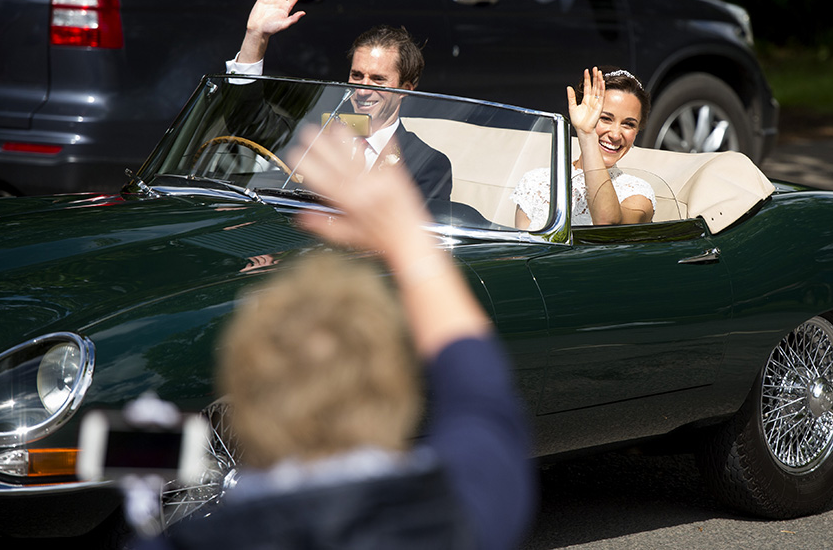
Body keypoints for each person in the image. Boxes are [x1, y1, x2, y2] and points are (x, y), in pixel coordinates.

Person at [140, 123, 536, 550]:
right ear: (397, 392)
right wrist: (408, 241)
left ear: (245, 397)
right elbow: (481, 392)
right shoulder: (461, 514)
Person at [226, 0, 452, 202]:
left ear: (406, 89)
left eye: (378, 80)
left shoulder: (427, 162)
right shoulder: (322, 136)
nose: (363, 90)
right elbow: (248, 121)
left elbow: (416, 235)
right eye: (357, 76)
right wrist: (255, 37)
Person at [511, 67, 656, 230]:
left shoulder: (638, 193)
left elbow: (607, 223)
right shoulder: (536, 182)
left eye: (628, 124)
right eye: (605, 118)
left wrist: (587, 135)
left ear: (637, 131)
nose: (615, 135)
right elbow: (522, 250)